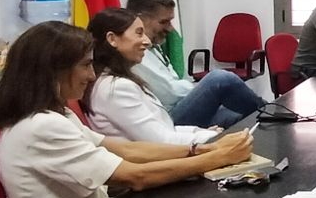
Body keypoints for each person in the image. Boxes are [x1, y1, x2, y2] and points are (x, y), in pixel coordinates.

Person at [0, 21, 255, 198]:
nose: (91, 75)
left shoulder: (54, 113)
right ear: (54, 71)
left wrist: (201, 150)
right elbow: (135, 176)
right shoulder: (41, 126)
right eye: (85, 65)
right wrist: (218, 159)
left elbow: (125, 149)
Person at [125, 0, 267, 128]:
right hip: (166, 119)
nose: (170, 28)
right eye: (164, 22)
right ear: (140, 19)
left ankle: (269, 117)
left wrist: (200, 88)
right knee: (220, 79)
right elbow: (171, 93)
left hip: (178, 107)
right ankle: (270, 111)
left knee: (241, 116)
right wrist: (200, 86)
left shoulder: (152, 47)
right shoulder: (133, 53)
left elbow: (173, 86)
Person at [82, 8, 220, 147]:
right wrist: (214, 138)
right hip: (166, 158)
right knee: (219, 79)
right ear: (112, 39)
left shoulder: (113, 82)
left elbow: (164, 129)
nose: (147, 41)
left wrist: (203, 133)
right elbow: (162, 142)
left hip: (166, 150)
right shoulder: (116, 89)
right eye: (139, 33)